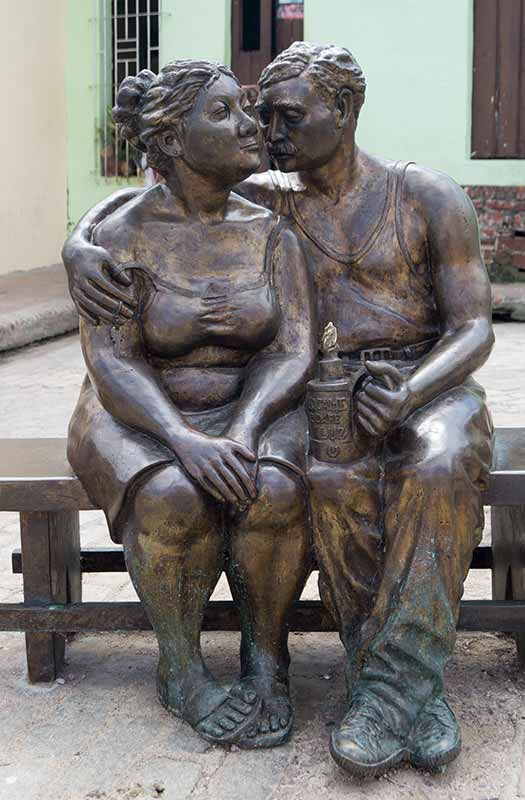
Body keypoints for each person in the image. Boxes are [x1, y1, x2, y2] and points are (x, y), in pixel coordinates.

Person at [63, 43, 494, 777]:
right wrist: (77, 245)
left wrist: (414, 390)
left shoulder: (423, 196)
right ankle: (377, 680)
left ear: (346, 111)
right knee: (328, 481)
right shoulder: (270, 195)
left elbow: (474, 326)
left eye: (286, 116)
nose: (269, 132)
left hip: (425, 381)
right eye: (258, 116)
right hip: (327, 393)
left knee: (437, 462)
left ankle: (398, 688)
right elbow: (160, 192)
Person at [66, 59, 316, 749]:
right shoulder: (118, 238)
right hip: (135, 412)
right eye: (224, 113)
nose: (248, 125)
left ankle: (267, 662)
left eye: (247, 107)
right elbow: (112, 361)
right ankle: (180, 670)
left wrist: (241, 426)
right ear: (172, 141)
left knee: (269, 490)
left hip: (251, 405)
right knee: (175, 496)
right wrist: (182, 437)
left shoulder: (272, 231)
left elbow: (292, 350)